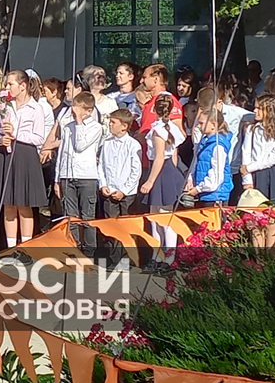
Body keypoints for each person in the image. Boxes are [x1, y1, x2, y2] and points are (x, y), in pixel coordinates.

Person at [0, 70, 47, 259]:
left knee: (23, 204)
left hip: (24, 155)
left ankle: (25, 248)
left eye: (10, 84)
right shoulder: (5, 105)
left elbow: (39, 138)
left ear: (23, 86)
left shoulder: (35, 108)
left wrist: (16, 134)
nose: (7, 88)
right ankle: (11, 247)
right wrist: (0, 139)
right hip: (6, 154)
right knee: (9, 204)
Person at [53, 91, 102, 256]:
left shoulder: (96, 127)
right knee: (70, 216)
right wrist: (57, 178)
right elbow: (62, 153)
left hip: (86, 177)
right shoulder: (68, 127)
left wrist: (79, 121)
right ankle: (74, 248)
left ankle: (89, 251)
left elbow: (80, 145)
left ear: (89, 111)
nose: (74, 113)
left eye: (78, 110)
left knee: (87, 217)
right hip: (67, 176)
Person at [141, 94, 186, 273]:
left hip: (161, 171)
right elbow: (174, 154)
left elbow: (160, 157)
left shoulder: (159, 130)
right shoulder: (169, 128)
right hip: (167, 170)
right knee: (155, 218)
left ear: (154, 109)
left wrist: (150, 181)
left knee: (165, 218)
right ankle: (157, 256)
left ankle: (169, 258)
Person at [99, 108, 142, 267]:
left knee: (126, 227)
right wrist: (103, 184)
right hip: (110, 191)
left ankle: (127, 259)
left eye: (113, 122)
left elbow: (136, 171)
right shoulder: (107, 143)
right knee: (111, 227)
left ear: (124, 126)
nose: (110, 125)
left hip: (126, 194)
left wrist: (123, 191)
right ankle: (113, 258)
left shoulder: (133, 145)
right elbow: (101, 166)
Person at [240, 93, 275, 209]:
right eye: (255, 107)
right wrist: (247, 179)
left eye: (259, 108)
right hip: (256, 175)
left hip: (274, 174)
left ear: (270, 110)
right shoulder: (251, 129)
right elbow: (246, 153)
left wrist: (250, 168)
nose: (255, 111)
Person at [186, 108, 233, 208]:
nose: (199, 126)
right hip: (204, 194)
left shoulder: (218, 145)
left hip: (215, 196)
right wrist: (191, 180)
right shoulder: (204, 143)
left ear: (213, 125)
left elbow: (216, 175)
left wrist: (198, 189)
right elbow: (196, 164)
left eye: (202, 123)